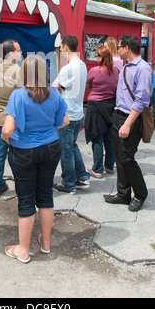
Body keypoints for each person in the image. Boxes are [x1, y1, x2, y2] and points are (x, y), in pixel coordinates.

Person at [2, 55, 69, 263]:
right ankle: (46, 242)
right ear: (45, 72)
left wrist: (7, 138)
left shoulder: (18, 95)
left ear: (24, 73)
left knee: (26, 199)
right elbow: (64, 121)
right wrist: (46, 129)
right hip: (50, 148)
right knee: (46, 195)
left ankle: (23, 249)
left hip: (23, 151)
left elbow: (7, 129)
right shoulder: (55, 93)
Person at [104, 35, 153, 212]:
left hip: (131, 118)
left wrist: (127, 124)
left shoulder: (143, 69)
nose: (116, 50)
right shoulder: (125, 65)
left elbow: (141, 101)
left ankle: (140, 194)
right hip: (119, 115)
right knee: (119, 156)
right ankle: (123, 194)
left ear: (127, 49)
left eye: (119, 47)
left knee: (126, 158)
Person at [52, 34, 90, 192]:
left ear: (66, 47)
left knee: (65, 150)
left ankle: (68, 183)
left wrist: (58, 86)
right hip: (78, 114)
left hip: (67, 116)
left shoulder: (68, 68)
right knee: (72, 146)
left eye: (61, 46)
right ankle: (82, 176)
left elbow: (54, 87)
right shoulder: (82, 65)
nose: (60, 49)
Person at [0, 40, 22, 198]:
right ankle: (22, 183)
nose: (22, 52)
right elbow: (23, 96)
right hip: (14, 120)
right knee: (17, 154)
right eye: (19, 50)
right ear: (11, 54)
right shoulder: (18, 71)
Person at [85, 46, 119, 178]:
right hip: (110, 106)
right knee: (109, 139)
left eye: (98, 55)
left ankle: (97, 169)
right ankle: (110, 167)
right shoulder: (116, 71)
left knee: (97, 139)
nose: (96, 58)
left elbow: (88, 85)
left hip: (96, 107)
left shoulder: (94, 70)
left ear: (102, 57)